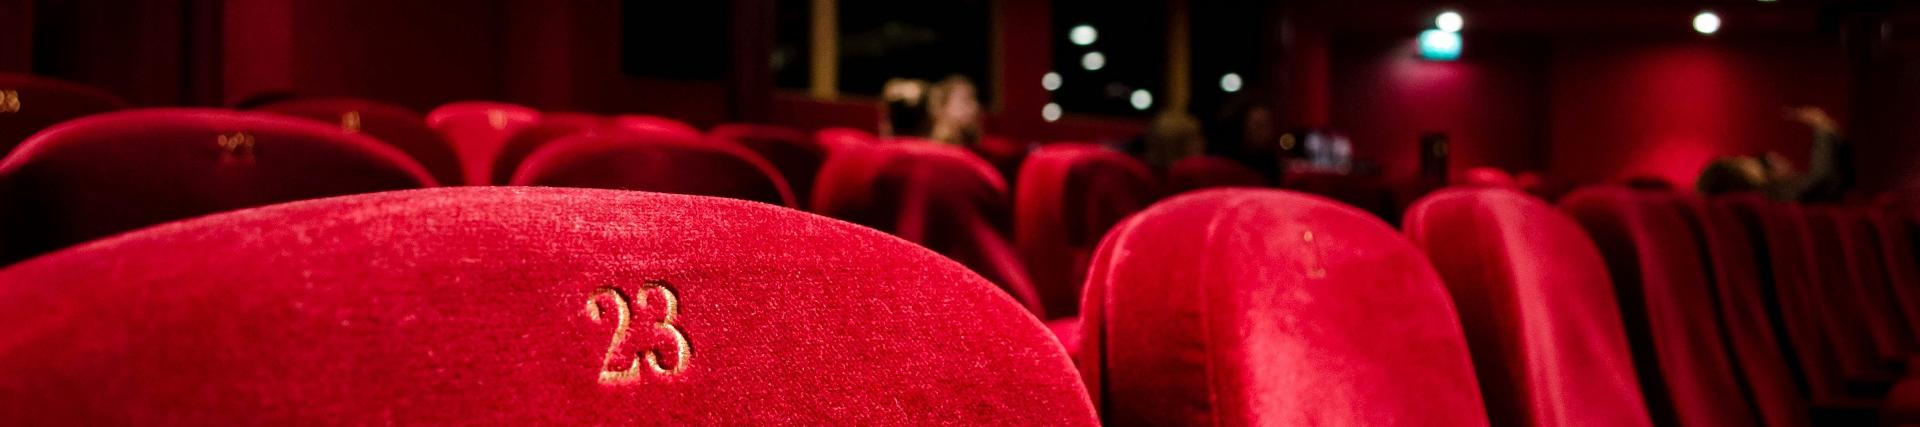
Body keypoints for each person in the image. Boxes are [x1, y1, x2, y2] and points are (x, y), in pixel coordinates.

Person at [1694, 106, 1852, 202]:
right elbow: (1822, 180)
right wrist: (1822, 127)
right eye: (1737, 162)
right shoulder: (1768, 198)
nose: (1745, 158)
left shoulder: (1767, 201)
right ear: (1734, 179)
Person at [1206, 97, 1282, 180]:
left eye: (1268, 125)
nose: (1267, 132)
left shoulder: (1270, 165)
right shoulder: (1220, 169)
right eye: (1259, 126)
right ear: (1239, 128)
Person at [926, 75, 983, 147]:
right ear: (942, 106)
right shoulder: (935, 151)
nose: (975, 107)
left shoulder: (976, 148)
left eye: (974, 99)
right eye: (966, 100)